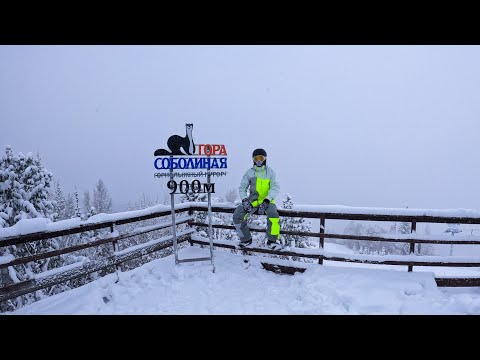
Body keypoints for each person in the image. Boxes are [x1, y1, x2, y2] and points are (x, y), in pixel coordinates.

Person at [233, 148, 282, 250]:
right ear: (253, 160)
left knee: (273, 215)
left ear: (265, 159)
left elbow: (275, 187)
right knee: (237, 215)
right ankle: (245, 240)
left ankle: (272, 241)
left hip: (267, 201)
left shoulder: (270, 172)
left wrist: (267, 200)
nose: (259, 161)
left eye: (261, 158)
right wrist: (244, 200)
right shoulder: (249, 173)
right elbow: (242, 188)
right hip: (253, 201)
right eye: (256, 159)